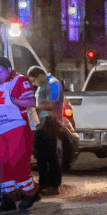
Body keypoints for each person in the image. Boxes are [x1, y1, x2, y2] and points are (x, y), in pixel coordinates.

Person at [0, 57, 38, 211]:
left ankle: (30, 193)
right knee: (4, 165)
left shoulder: (20, 80)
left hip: (17, 126)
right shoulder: (0, 84)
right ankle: (8, 199)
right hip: (2, 129)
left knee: (18, 162)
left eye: (0, 71)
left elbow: (31, 102)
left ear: (8, 69)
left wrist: (14, 100)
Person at [28, 66, 64, 197]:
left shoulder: (52, 84)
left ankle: (53, 186)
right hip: (41, 124)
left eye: (33, 81)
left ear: (39, 76)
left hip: (49, 122)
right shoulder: (43, 85)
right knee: (41, 155)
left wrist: (34, 107)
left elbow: (52, 105)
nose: (33, 84)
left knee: (50, 155)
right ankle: (44, 183)